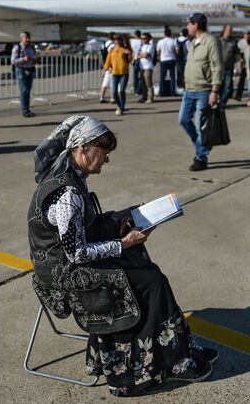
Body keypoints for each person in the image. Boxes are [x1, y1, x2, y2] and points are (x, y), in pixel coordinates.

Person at [28, 115, 219, 397]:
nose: (106, 160)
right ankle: (173, 361)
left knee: (145, 268)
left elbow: (85, 227)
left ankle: (180, 349)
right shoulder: (67, 193)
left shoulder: (71, 177)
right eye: (103, 152)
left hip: (68, 263)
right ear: (82, 149)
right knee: (151, 281)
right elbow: (77, 253)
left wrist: (125, 215)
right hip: (63, 274)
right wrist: (123, 244)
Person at [179, 12, 222, 171]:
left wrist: (215, 91)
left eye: (189, 23)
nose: (187, 26)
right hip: (189, 90)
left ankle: (201, 158)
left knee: (200, 126)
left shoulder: (211, 41)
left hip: (204, 91)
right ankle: (203, 144)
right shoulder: (193, 42)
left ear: (196, 25)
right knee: (183, 120)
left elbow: (217, 67)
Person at [11, 31, 40, 117]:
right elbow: (13, 61)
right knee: (24, 90)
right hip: (21, 70)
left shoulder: (31, 47)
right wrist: (23, 59)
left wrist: (36, 59)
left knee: (28, 90)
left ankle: (27, 109)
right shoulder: (17, 48)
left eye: (29, 37)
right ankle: (25, 110)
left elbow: (34, 57)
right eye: (26, 38)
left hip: (30, 69)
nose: (28, 39)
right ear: (22, 38)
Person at [102, 33, 132, 115]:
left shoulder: (124, 49)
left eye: (118, 39)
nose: (117, 41)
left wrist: (129, 54)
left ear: (121, 40)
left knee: (122, 91)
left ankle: (122, 108)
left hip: (124, 73)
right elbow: (108, 61)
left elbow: (129, 61)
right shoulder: (112, 50)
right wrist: (104, 70)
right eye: (115, 39)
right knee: (114, 92)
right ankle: (119, 106)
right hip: (115, 73)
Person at [218, 25, 239, 106]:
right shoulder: (218, 41)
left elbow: (237, 53)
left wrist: (239, 63)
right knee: (220, 86)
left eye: (231, 30)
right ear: (224, 30)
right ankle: (220, 101)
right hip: (219, 68)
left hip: (229, 68)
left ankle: (222, 103)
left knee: (228, 87)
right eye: (228, 30)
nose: (229, 32)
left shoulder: (233, 42)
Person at [157, 27, 178, 97]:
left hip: (163, 60)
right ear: (170, 34)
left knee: (162, 77)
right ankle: (173, 92)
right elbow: (177, 51)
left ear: (164, 34)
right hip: (171, 59)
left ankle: (161, 92)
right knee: (172, 77)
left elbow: (158, 52)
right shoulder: (173, 41)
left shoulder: (160, 41)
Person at [99, 33, 116, 103]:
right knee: (112, 82)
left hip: (106, 65)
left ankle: (101, 97)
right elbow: (111, 56)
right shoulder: (112, 45)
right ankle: (112, 98)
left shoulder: (105, 43)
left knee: (105, 82)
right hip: (111, 65)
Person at [138, 32, 155, 103]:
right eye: (142, 38)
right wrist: (141, 55)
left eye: (145, 38)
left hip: (148, 66)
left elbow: (146, 55)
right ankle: (144, 97)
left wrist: (141, 55)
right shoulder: (142, 46)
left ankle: (150, 97)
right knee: (143, 83)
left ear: (148, 39)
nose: (143, 40)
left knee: (148, 83)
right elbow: (138, 55)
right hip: (142, 67)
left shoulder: (150, 46)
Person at [130, 29, 143, 95]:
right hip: (140, 59)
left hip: (134, 59)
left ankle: (136, 90)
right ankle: (139, 89)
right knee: (141, 76)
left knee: (135, 76)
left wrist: (132, 59)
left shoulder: (132, 41)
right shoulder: (141, 41)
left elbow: (131, 51)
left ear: (135, 35)